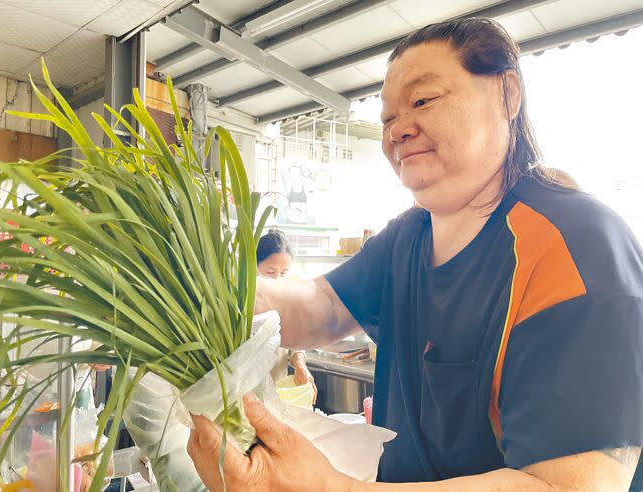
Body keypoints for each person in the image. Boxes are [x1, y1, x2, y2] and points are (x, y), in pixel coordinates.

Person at [187, 18, 643, 491]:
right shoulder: (408, 236)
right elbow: (319, 309)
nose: (398, 131)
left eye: (423, 100)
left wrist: (332, 488)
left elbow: (566, 485)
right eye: (386, 118)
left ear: (507, 95)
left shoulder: (576, 244)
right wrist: (200, 291)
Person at [257, 230, 317, 401]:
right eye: (270, 272)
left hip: (277, 395)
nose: (277, 279)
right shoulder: (242, 303)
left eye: (283, 273)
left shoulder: (289, 301)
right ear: (255, 266)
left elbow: (296, 345)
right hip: (245, 399)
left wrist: (300, 364)